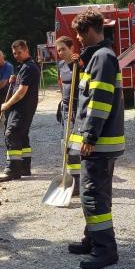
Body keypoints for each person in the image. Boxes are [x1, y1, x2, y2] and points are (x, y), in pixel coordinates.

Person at [66, 9, 125, 269]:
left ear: (90, 30)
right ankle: (92, 240)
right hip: (101, 142)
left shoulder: (102, 58)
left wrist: (90, 135)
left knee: (92, 195)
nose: (78, 39)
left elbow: (99, 101)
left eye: (79, 34)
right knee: (97, 193)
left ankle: (105, 250)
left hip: (99, 143)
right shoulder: (99, 57)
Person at [0, 40, 40, 182]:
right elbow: (21, 84)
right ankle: (24, 167)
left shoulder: (28, 68)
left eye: (19, 53)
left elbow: (21, 92)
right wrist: (15, 80)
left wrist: (7, 104)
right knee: (22, 135)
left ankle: (12, 170)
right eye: (14, 53)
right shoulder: (25, 66)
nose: (16, 56)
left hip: (22, 108)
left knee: (12, 134)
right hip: (25, 107)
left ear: (26, 50)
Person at [55, 36, 80, 196]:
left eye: (63, 49)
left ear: (72, 48)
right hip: (65, 109)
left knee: (73, 147)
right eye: (58, 50)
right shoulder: (60, 65)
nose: (60, 52)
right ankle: (70, 179)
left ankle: (76, 183)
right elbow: (62, 84)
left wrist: (77, 64)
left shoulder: (79, 64)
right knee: (65, 144)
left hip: (76, 109)